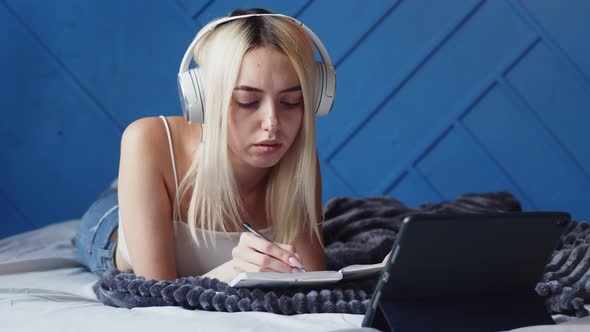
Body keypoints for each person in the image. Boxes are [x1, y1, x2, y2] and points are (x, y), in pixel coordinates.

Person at [74, 8, 333, 283]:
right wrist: (231, 272)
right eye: (247, 101)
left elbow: (313, 277)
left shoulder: (297, 158)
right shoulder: (146, 138)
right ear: (204, 99)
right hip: (112, 222)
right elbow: (155, 293)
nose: (272, 123)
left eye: (291, 102)